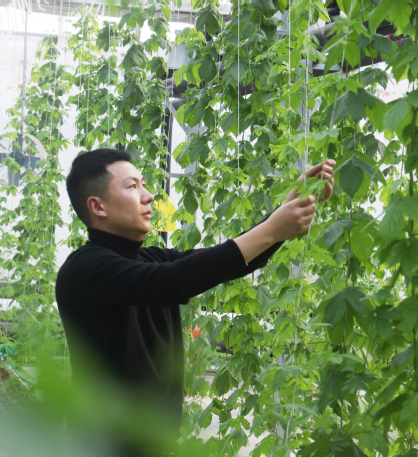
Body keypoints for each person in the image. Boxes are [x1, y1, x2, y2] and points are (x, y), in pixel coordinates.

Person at [56, 149, 335, 456]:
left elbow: (225, 262)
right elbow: (174, 281)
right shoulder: (85, 269)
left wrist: (286, 211)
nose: (148, 196)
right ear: (97, 206)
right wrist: (273, 228)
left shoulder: (148, 258)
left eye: (144, 184)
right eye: (132, 186)